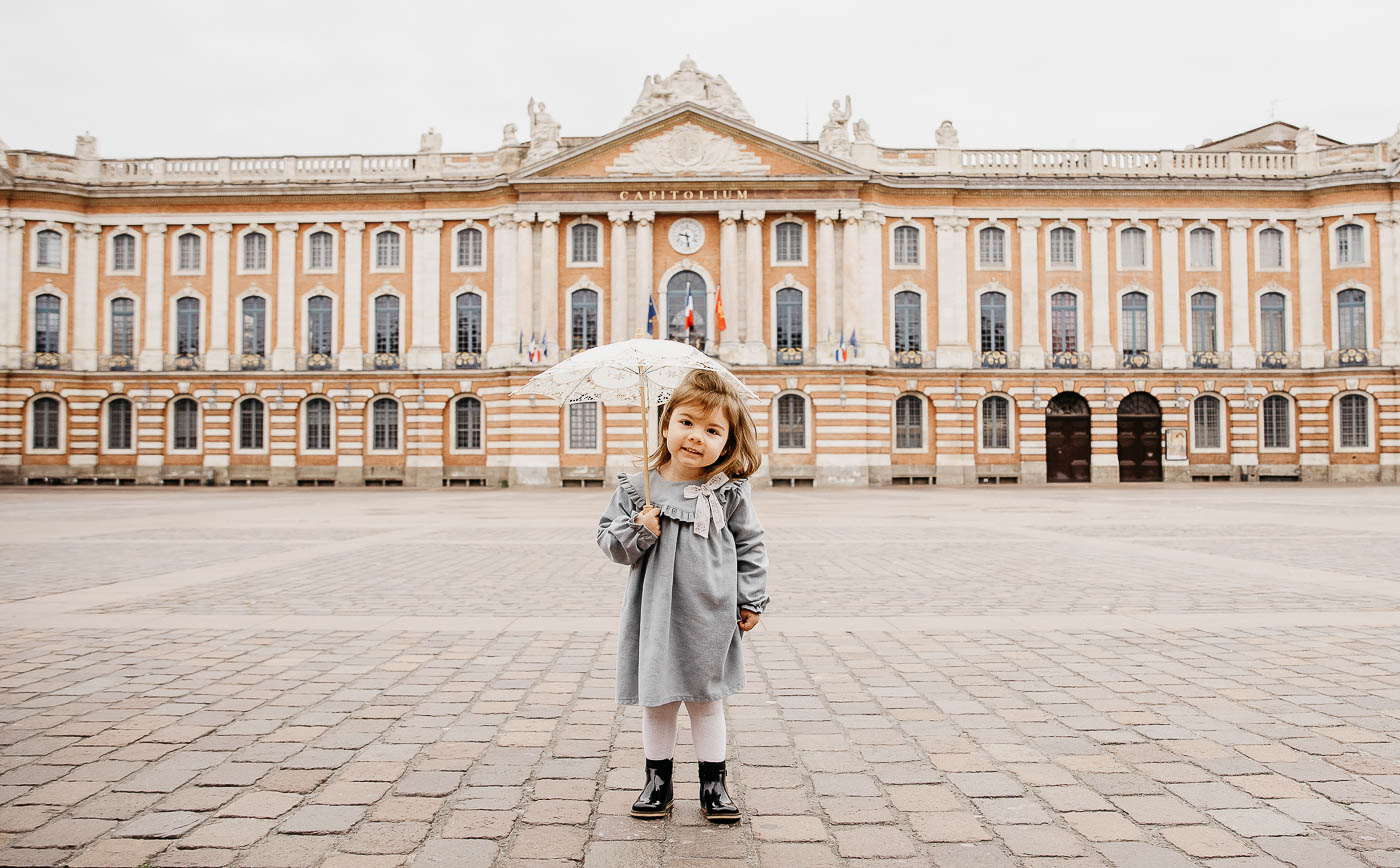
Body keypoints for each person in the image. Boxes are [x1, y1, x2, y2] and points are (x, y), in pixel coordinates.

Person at [596, 368, 768, 823]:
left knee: (706, 698)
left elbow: (750, 542)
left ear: (727, 442)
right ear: (666, 423)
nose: (696, 437)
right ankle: (658, 780)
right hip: (655, 612)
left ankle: (714, 782)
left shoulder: (728, 490)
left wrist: (750, 597)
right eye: (687, 423)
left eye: (712, 430)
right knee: (660, 697)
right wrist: (639, 530)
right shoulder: (639, 488)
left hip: (710, 609)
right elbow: (609, 544)